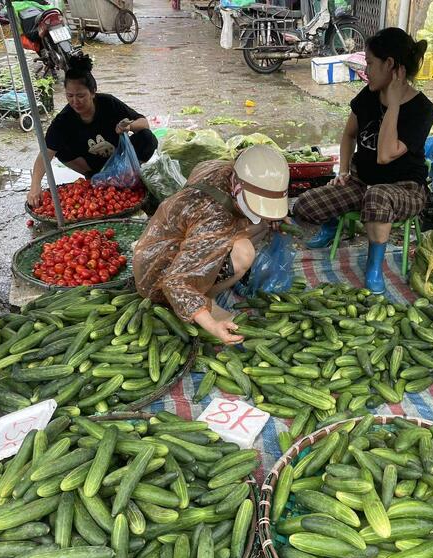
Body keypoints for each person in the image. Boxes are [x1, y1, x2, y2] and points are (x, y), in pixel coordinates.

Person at [292, 27, 433, 294]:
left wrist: (393, 105)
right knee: (304, 205)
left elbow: (385, 155)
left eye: (370, 63)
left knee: (378, 197)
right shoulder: (367, 96)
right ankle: (333, 221)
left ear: (390, 64)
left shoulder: (422, 110)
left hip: (406, 189)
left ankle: (374, 266)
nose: (366, 70)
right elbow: (348, 135)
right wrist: (344, 171)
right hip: (362, 184)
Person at [133, 145, 290, 344]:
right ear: (239, 186)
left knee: (261, 225)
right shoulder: (212, 219)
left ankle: (206, 284)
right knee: (244, 253)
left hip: (164, 247)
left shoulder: (221, 169)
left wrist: (270, 214)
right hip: (160, 277)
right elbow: (175, 282)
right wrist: (211, 325)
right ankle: (206, 298)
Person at [27, 54, 158, 207]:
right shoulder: (63, 120)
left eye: (81, 95)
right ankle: (94, 177)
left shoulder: (109, 103)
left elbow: (143, 123)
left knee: (147, 138)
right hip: (91, 165)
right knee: (57, 148)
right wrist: (34, 186)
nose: (75, 101)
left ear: (93, 92)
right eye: (70, 96)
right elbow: (45, 154)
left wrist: (128, 127)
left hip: (118, 159)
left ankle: (127, 176)